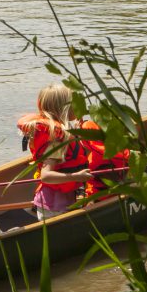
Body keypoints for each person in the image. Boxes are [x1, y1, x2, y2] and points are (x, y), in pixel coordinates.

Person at [17, 84, 93, 220]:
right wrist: (76, 176)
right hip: (55, 207)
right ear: (64, 108)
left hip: (59, 200)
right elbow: (46, 176)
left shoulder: (60, 133)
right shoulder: (56, 141)